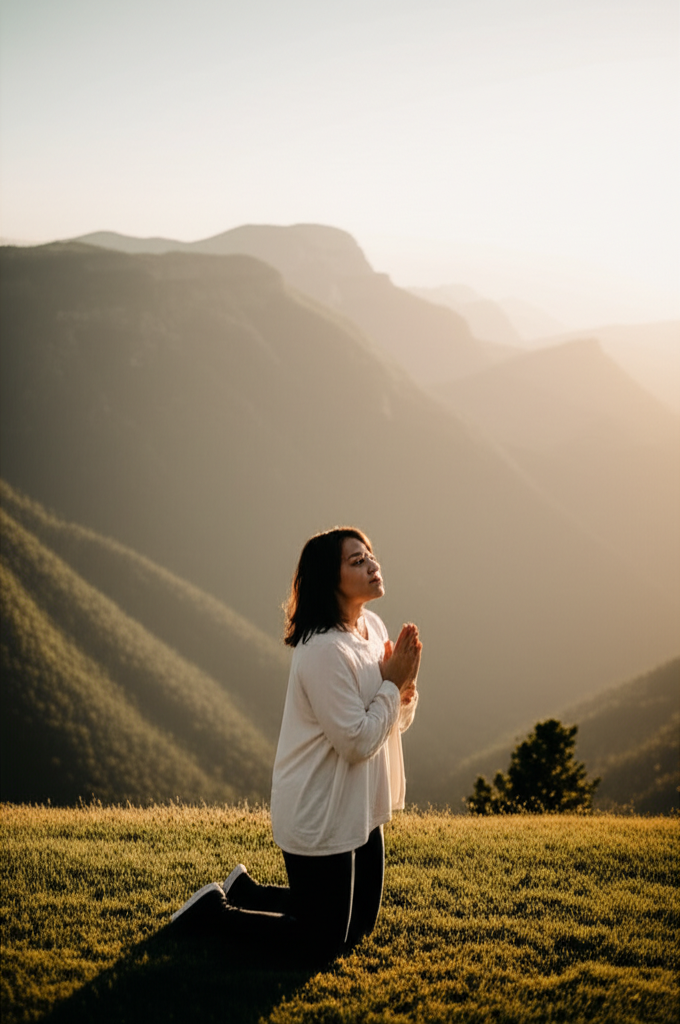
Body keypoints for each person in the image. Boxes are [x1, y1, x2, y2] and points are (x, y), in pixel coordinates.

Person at [171, 526, 421, 963]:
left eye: (370, 555)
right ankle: (213, 911)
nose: (372, 565)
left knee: (359, 925)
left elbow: (389, 723)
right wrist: (392, 684)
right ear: (330, 579)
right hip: (319, 807)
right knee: (321, 944)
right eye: (357, 561)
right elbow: (357, 742)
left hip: (358, 803)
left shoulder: (371, 626)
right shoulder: (324, 651)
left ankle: (248, 890)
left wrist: (403, 692)